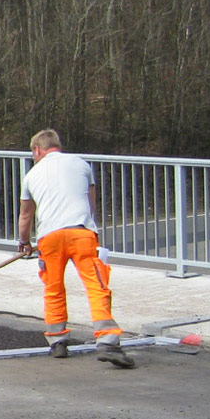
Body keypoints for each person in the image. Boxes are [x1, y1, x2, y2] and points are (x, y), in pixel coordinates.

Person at [16, 129, 134, 367]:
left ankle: (57, 341)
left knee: (54, 287)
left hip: (50, 237)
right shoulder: (82, 164)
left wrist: (25, 242)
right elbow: (90, 202)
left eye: (33, 153)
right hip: (82, 233)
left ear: (37, 150)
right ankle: (108, 342)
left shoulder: (31, 175)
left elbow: (25, 215)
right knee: (97, 286)